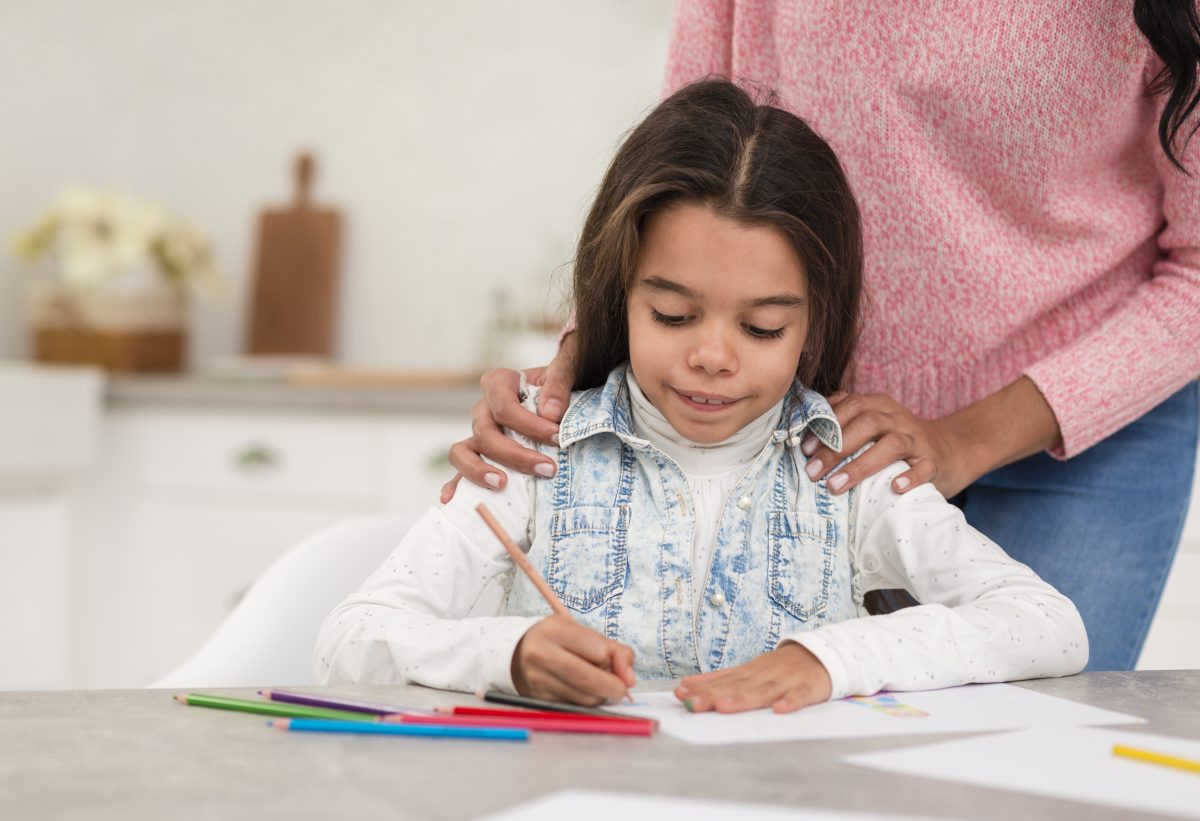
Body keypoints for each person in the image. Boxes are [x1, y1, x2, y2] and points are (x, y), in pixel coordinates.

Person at [444, 2, 1200, 673]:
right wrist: (590, 345)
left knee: (1036, 746)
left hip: (1087, 414)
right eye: (675, 316)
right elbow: (687, 173)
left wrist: (968, 437)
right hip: (820, 420)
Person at [316, 80, 1087, 712]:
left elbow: (1049, 627)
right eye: (673, 315)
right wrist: (507, 653)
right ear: (616, 295)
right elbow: (350, 638)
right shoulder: (536, 455)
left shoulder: (848, 474)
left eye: (760, 327)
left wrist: (830, 658)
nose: (711, 356)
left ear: (813, 327)